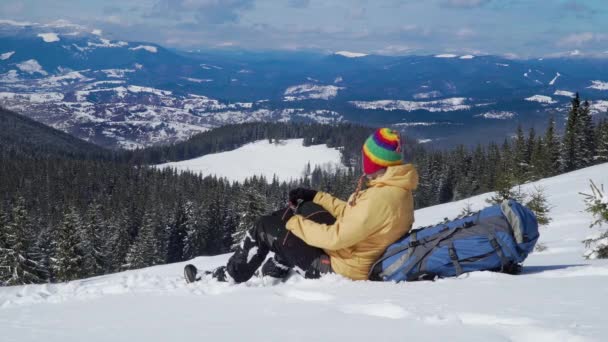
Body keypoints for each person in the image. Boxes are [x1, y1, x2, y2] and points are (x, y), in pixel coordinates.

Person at [184, 128, 419, 283]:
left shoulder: (380, 199)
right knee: (305, 208)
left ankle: (231, 275)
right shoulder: (394, 189)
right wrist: (316, 196)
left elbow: (335, 238)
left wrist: (293, 223)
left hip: (339, 267)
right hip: (353, 253)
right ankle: (279, 262)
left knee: (263, 226)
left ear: (372, 161)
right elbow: (352, 215)